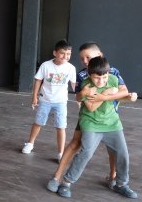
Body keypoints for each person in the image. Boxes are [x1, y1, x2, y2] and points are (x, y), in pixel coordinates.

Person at [47, 42, 136, 189]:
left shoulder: (113, 72)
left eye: (88, 57)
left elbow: (123, 91)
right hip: (89, 116)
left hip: (110, 115)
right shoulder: (83, 75)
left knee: (116, 150)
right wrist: (88, 93)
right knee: (76, 144)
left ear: (99, 55)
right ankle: (58, 177)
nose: (85, 61)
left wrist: (107, 96)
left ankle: (114, 178)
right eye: (82, 58)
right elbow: (80, 98)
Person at [22, 40, 77, 158]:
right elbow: (38, 80)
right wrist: (34, 97)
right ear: (55, 53)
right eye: (62, 53)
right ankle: (30, 143)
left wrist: (81, 97)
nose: (65, 56)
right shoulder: (45, 65)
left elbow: (74, 85)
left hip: (61, 102)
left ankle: (61, 153)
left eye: (68, 54)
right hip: (45, 100)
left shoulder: (71, 68)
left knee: (61, 126)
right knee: (38, 122)